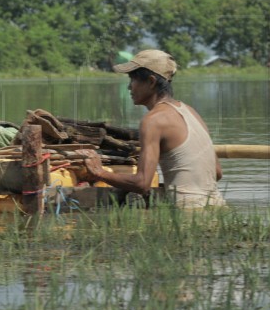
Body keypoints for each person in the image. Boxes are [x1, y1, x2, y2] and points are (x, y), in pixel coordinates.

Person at [80, 49, 225, 208]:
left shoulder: (153, 121)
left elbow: (142, 183)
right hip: (218, 207)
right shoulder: (191, 111)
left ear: (151, 81)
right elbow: (217, 172)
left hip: (189, 213)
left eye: (132, 80)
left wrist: (99, 172)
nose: (129, 87)